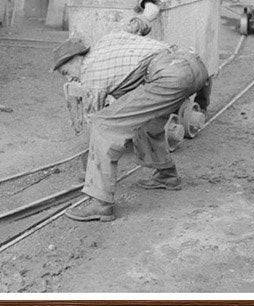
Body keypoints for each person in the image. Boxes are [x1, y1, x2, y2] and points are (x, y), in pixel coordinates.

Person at [50, 23, 210, 222]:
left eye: (66, 72)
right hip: (194, 64)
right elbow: (140, 24)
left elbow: (95, 119)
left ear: (76, 59)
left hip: (169, 75)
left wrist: (90, 167)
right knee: (144, 120)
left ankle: (101, 204)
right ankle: (166, 175)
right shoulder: (110, 38)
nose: (71, 77)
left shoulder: (91, 72)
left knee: (103, 125)